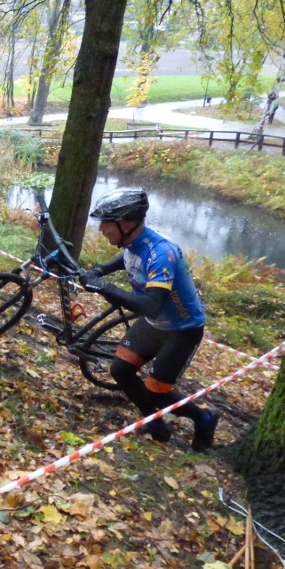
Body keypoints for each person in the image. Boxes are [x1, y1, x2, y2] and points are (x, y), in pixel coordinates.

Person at [78, 187, 219, 452]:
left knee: (157, 391)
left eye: (106, 224)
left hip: (182, 330)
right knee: (120, 370)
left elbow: (151, 306)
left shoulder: (161, 253)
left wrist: (103, 287)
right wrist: (101, 270)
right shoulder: (134, 242)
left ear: (126, 223)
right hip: (155, 326)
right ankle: (155, 424)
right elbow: (128, 258)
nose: (101, 230)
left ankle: (205, 417)